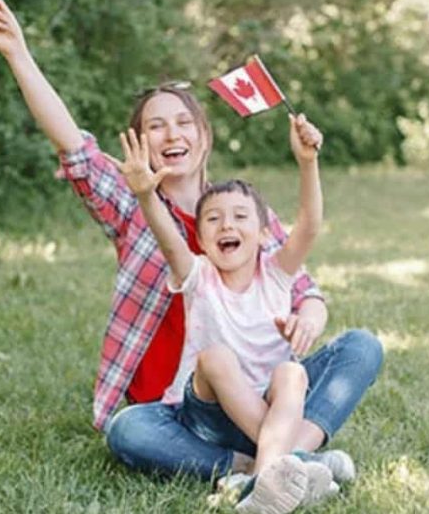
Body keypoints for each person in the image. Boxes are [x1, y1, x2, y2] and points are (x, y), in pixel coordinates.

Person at [0, 0, 383, 483]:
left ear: (204, 137)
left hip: (259, 392)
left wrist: (308, 320)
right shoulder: (132, 201)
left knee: (360, 347)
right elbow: (72, 144)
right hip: (180, 409)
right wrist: (18, 54)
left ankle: (279, 457)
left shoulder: (240, 213)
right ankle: (283, 463)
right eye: (156, 126)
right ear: (140, 144)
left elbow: (303, 287)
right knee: (128, 431)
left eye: (184, 122)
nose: (172, 134)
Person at [114, 114, 338, 512]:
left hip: (272, 408)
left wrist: (308, 163)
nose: (226, 226)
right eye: (214, 219)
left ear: (265, 233)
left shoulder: (277, 273)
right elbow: (170, 243)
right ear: (200, 239)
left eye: (240, 217)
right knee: (128, 427)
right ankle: (296, 461)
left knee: (296, 371)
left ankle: (262, 481)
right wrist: (147, 196)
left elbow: (309, 226)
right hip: (207, 417)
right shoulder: (198, 275)